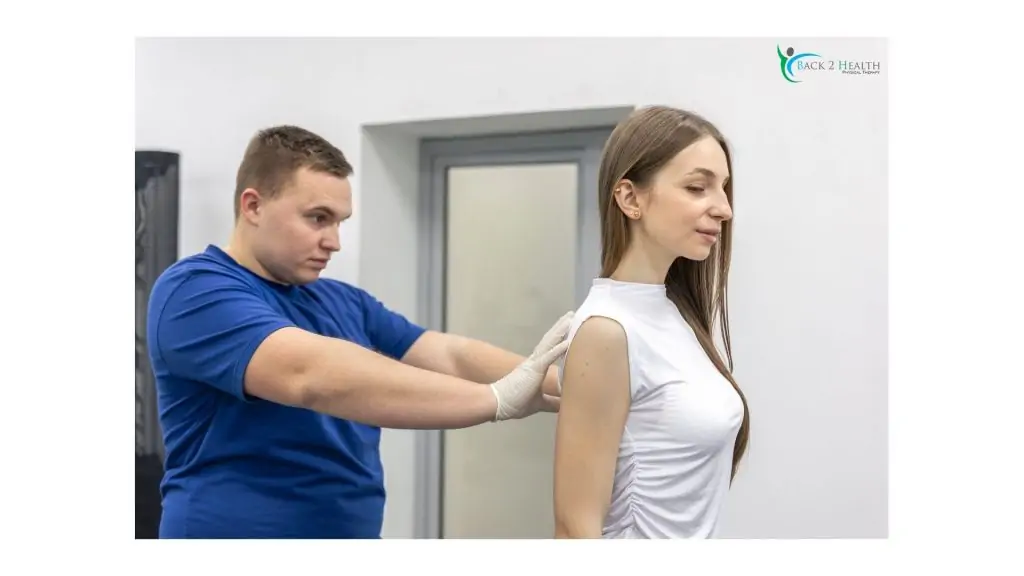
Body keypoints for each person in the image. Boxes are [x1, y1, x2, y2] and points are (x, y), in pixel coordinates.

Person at [146, 124, 573, 539]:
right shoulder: (195, 291)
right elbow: (310, 375)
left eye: (339, 222)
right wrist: (495, 399)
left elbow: (449, 354)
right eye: (317, 218)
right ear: (253, 206)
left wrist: (566, 386)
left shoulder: (341, 300)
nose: (334, 241)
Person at [552, 106, 751, 539]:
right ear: (630, 199)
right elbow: (574, 528)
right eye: (698, 187)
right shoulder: (607, 330)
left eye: (724, 189)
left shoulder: (673, 312)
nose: (723, 209)